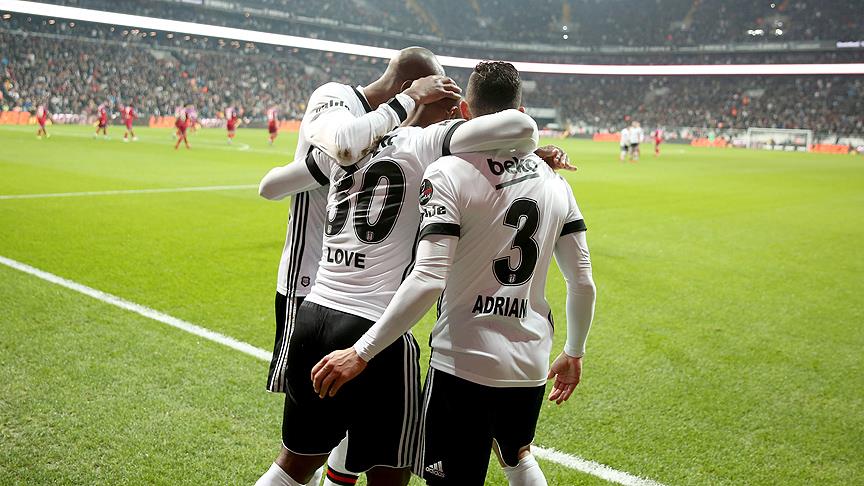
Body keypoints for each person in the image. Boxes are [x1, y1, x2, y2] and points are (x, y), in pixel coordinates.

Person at [311, 61, 597, 486]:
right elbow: (583, 281)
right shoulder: (555, 182)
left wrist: (362, 352)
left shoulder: (447, 172)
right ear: (520, 107)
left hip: (463, 359)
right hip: (531, 356)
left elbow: (428, 277)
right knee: (517, 454)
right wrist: (574, 351)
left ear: (464, 111)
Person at [257, 46, 461, 486]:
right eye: (442, 99)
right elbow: (505, 132)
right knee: (391, 471)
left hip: (315, 312)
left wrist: (319, 169)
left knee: (293, 463)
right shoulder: (400, 134)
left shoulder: (343, 154)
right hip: (371, 326)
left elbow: (272, 184)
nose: (446, 113)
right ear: (415, 93)